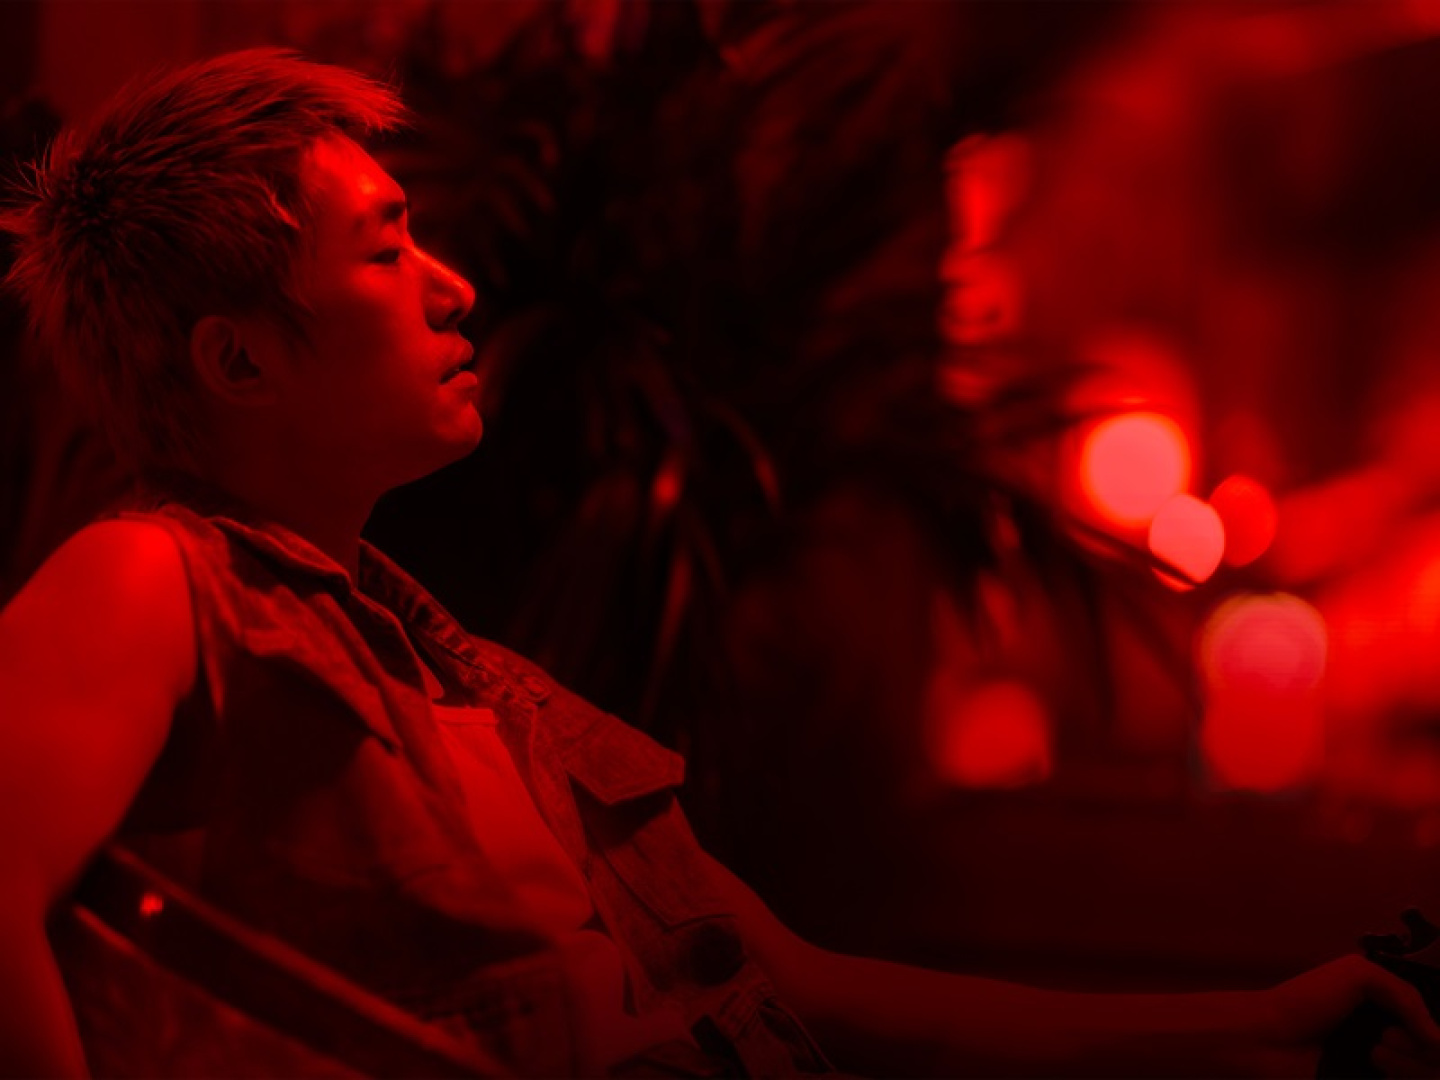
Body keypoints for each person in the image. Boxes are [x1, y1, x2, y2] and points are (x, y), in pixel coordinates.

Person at [0, 48, 1435, 1079]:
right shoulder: (147, 579)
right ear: (239, 360)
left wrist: (1254, 1024)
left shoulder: (479, 685)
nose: (454, 283)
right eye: (384, 252)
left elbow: (799, 987)